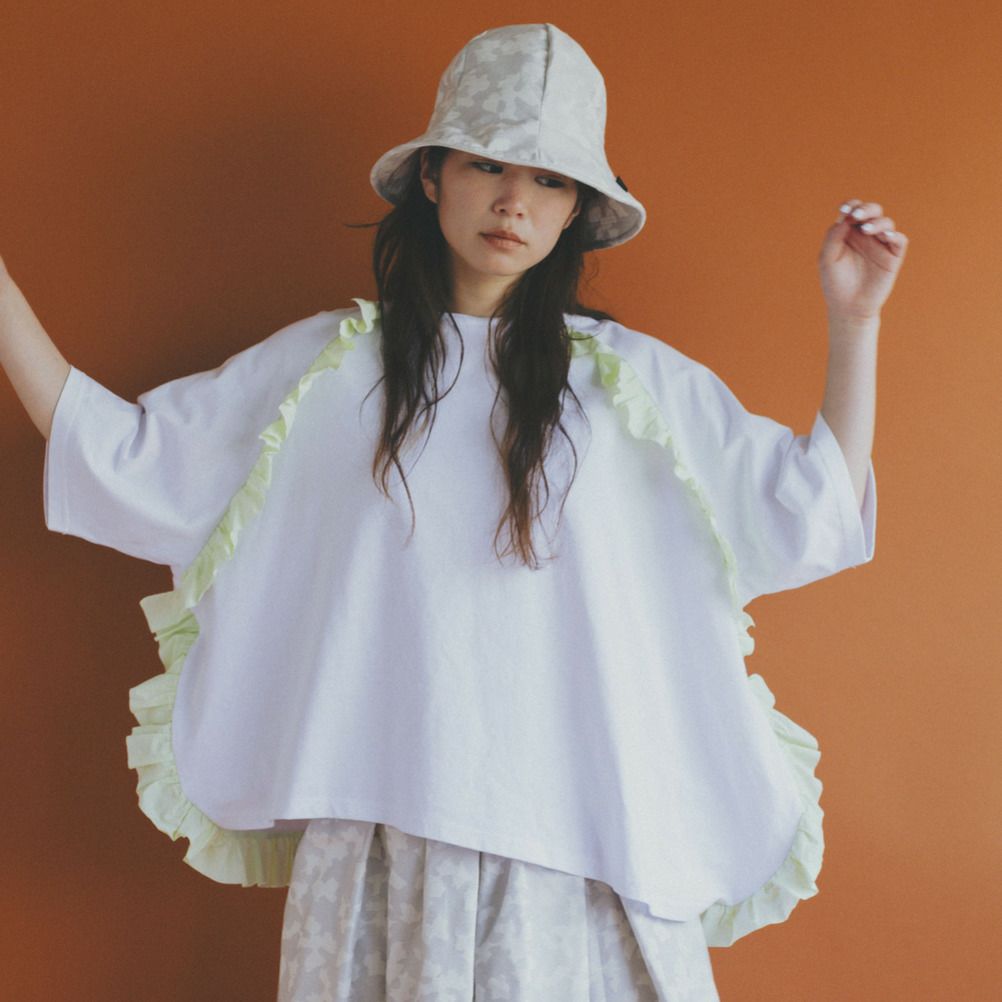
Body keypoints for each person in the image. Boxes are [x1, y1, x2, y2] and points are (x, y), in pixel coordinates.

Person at [1, 21, 907, 1002]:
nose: (515, 201)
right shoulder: (327, 369)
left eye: (550, 179)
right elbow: (125, 459)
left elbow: (810, 511)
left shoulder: (633, 387)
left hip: (582, 853)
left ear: (577, 209)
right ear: (433, 175)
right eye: (487, 164)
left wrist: (854, 322)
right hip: (380, 838)